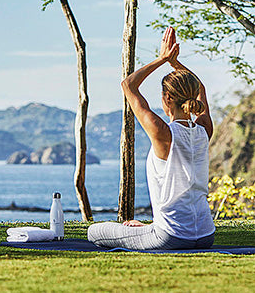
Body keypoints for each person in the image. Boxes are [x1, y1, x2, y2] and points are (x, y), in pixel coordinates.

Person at [88, 27, 215, 250]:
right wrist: (175, 64)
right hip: (206, 234)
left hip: (170, 237)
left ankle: (144, 230)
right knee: (140, 228)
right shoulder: (204, 130)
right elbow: (200, 87)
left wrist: (163, 59)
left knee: (94, 232)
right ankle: (144, 229)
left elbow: (128, 85)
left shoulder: (163, 133)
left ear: (167, 98)